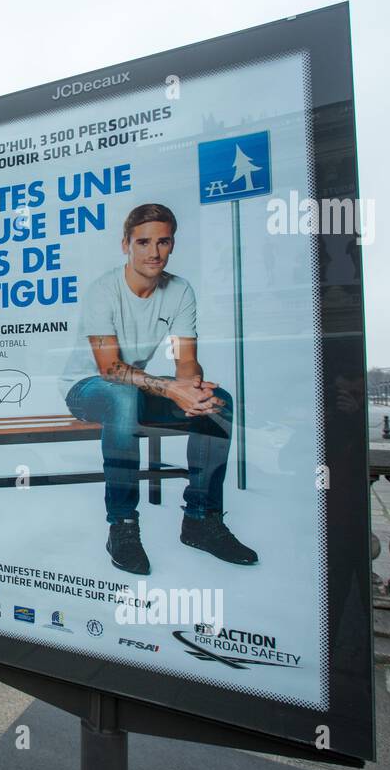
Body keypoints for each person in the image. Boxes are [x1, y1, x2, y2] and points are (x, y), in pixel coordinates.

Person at [62, 203, 258, 575]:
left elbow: (186, 359)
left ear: (172, 244)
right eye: (143, 242)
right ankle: (122, 525)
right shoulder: (103, 290)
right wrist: (171, 390)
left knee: (219, 403)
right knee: (123, 396)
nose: (154, 252)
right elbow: (109, 368)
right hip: (86, 388)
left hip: (134, 386)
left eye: (163, 242)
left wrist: (192, 386)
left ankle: (200, 520)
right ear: (126, 245)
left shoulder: (180, 290)